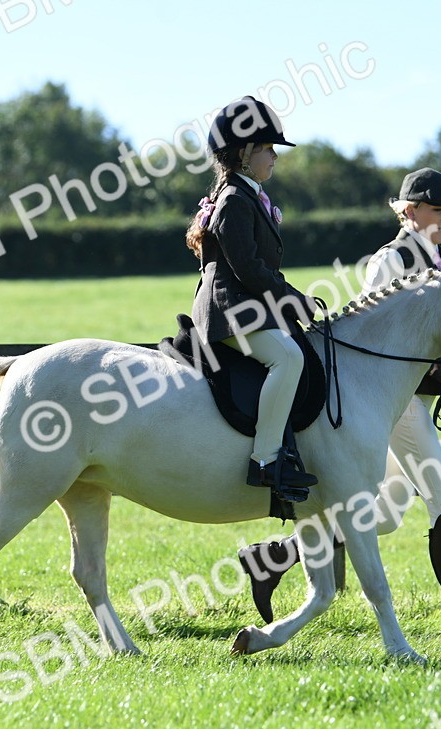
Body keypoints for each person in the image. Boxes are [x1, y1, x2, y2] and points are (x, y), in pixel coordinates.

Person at [236, 168, 441, 652]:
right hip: (392, 406)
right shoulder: (391, 261)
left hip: (413, 401)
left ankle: (274, 556)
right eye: (436, 211)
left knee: (386, 512)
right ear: (410, 211)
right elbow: (375, 341)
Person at [185, 96, 319, 491]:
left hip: (247, 307)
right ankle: (265, 460)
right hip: (230, 310)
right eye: (266, 148)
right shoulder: (233, 201)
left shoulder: (247, 197)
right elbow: (250, 270)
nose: (274, 156)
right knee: (288, 358)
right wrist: (296, 300)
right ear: (244, 154)